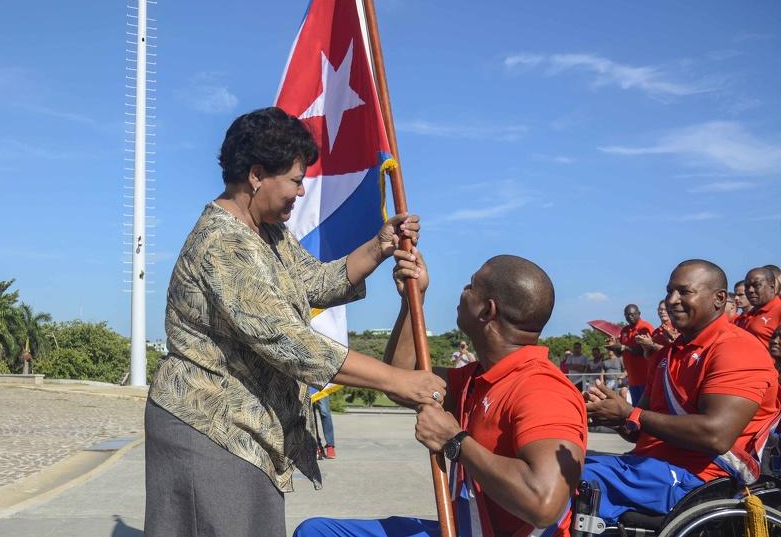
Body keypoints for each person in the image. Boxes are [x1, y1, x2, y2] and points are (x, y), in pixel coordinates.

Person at [144, 108, 446, 537]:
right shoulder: (222, 244)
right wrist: (396, 380)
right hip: (209, 428)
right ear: (255, 175)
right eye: (295, 180)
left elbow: (317, 282)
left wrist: (380, 247)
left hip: (249, 430)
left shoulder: (267, 233)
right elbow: (291, 343)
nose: (301, 192)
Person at [295, 251, 587, 537]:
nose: (463, 290)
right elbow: (403, 379)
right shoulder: (477, 377)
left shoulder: (543, 391)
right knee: (316, 531)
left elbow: (544, 504)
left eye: (471, 286)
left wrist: (456, 441)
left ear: (488, 310)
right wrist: (413, 301)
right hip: (463, 529)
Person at [583, 259, 778, 524]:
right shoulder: (667, 355)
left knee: (556, 478)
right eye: (669, 291)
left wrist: (632, 413)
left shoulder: (737, 349)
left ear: (719, 298)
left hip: (697, 479)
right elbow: (640, 429)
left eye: (684, 292)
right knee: (558, 462)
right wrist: (613, 414)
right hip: (651, 468)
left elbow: (716, 436)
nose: (672, 300)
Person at [614, 304, 655, 404]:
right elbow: (620, 353)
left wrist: (625, 347)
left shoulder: (645, 327)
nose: (629, 317)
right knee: (636, 407)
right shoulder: (624, 330)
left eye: (632, 314)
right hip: (632, 378)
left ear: (639, 314)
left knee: (647, 409)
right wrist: (614, 347)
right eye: (627, 315)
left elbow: (645, 350)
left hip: (646, 378)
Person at [743, 267, 781, 349]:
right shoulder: (747, 315)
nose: (750, 290)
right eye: (746, 286)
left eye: (756, 285)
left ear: (772, 287)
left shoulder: (779, 311)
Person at [310, 388, 336, 459]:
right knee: (310, 414)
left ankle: (330, 445)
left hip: (320, 382)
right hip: (306, 382)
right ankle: (316, 445)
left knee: (325, 412)